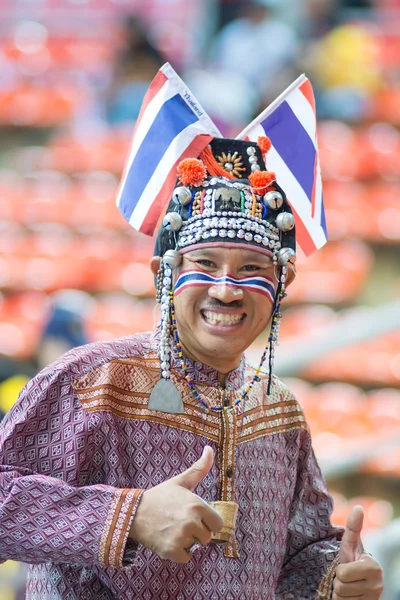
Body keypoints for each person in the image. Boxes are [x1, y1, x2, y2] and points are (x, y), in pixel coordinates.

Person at [0, 98, 384, 599]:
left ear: (281, 285)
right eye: (205, 263)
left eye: (252, 270)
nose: (226, 289)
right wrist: (127, 518)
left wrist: (334, 579)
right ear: (167, 275)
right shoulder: (91, 381)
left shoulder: (281, 412)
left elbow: (299, 552)